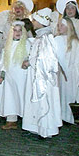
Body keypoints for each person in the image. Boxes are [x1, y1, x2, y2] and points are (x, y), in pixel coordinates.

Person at [21, 8, 64, 138]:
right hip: (35, 74)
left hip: (42, 78)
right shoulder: (40, 37)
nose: (33, 22)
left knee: (44, 100)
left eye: (35, 20)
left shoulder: (46, 38)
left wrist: (30, 62)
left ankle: (46, 127)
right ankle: (35, 125)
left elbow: (46, 60)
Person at [0, 21, 30, 129]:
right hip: (10, 76)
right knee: (10, 97)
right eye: (15, 30)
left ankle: (28, 120)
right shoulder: (8, 45)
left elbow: (30, 56)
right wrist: (1, 74)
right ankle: (11, 120)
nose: (17, 33)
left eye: (20, 30)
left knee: (23, 96)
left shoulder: (27, 44)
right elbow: (3, 61)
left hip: (23, 76)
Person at [54, 17, 79, 124]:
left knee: (71, 94)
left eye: (62, 25)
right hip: (62, 73)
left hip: (73, 73)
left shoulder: (74, 42)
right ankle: (63, 115)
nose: (59, 27)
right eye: (58, 25)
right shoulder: (58, 40)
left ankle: (71, 117)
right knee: (62, 94)